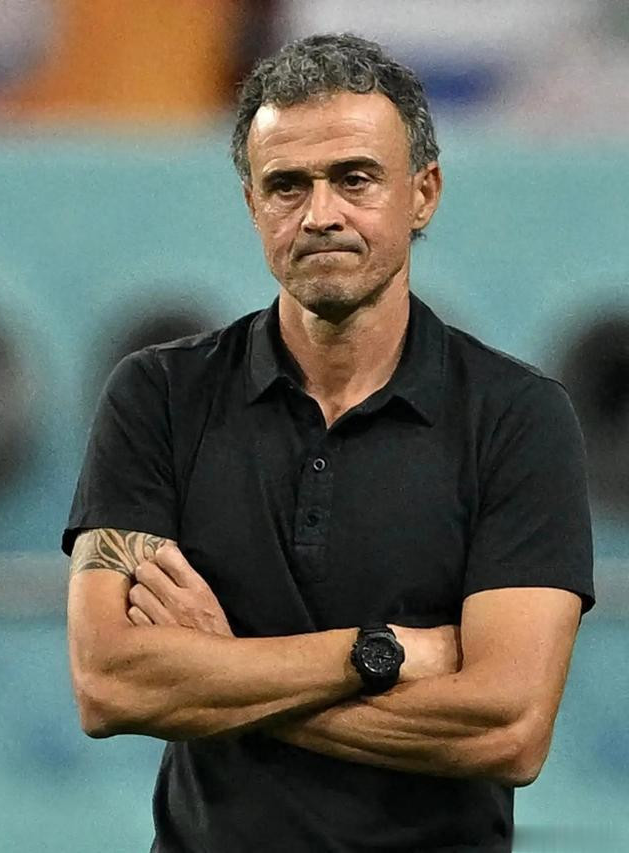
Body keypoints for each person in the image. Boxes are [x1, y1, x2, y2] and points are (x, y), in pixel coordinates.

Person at [63, 33, 595, 853]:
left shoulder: (518, 416)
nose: (320, 215)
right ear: (252, 204)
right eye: (287, 185)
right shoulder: (158, 395)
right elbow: (109, 683)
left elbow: (509, 729)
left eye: (355, 178)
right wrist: (377, 653)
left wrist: (221, 672)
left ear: (423, 193)